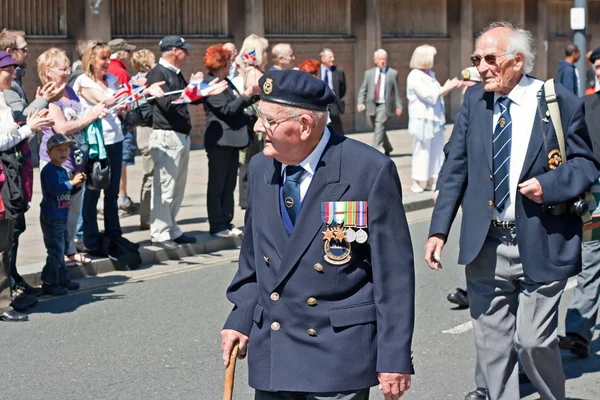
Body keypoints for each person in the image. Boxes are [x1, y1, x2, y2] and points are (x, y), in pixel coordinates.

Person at [424, 22, 600, 399]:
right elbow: (456, 166)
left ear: (517, 61)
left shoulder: (557, 100)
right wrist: (438, 229)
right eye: (476, 59)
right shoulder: (474, 101)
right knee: (493, 350)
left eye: (490, 59)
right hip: (487, 244)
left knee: (533, 341)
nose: (480, 67)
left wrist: (549, 186)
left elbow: (585, 163)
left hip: (542, 238)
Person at [221, 69, 415, 399]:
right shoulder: (260, 167)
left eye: (268, 120)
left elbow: (394, 274)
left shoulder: (367, 170)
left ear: (305, 126)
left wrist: (394, 355)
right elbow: (254, 261)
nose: (258, 128)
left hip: (337, 355)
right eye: (258, 117)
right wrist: (239, 316)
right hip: (275, 351)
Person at [74, 42, 164, 256]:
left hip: (115, 138)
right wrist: (134, 88)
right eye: (103, 59)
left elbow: (119, 103)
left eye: (108, 58)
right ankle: (90, 238)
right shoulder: (83, 81)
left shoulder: (112, 80)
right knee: (93, 190)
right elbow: (104, 101)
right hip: (96, 142)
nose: (107, 63)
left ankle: (114, 233)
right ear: (91, 60)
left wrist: (135, 95)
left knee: (112, 191)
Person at [0, 29, 64, 306]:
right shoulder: (7, 92)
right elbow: (11, 129)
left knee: (12, 230)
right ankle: (9, 288)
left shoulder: (8, 89)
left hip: (15, 167)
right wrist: (35, 117)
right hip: (9, 169)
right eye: (22, 50)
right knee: (8, 233)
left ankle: (11, 282)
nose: (27, 54)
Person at [145, 36, 225, 249]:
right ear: (174, 50)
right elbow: (167, 104)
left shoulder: (175, 73)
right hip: (166, 135)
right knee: (165, 187)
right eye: (184, 50)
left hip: (179, 134)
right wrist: (192, 89)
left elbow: (189, 98)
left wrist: (202, 90)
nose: (187, 54)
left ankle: (171, 227)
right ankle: (160, 232)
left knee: (177, 187)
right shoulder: (158, 73)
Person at [37, 47, 108, 267]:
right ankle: (58, 255)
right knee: (59, 210)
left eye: (68, 67)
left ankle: (69, 249)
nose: (68, 71)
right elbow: (61, 128)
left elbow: (79, 119)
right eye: (62, 68)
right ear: (48, 72)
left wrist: (94, 116)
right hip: (57, 162)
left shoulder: (70, 90)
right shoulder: (50, 95)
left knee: (74, 209)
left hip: (77, 159)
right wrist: (89, 117)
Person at [559, 46, 600, 358]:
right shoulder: (585, 105)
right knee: (591, 261)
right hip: (596, 197)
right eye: (597, 67)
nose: (599, 71)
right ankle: (579, 332)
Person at [203, 44, 259, 238]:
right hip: (220, 141)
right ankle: (217, 225)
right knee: (217, 185)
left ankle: (226, 221)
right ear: (220, 64)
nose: (230, 66)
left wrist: (253, 96)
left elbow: (237, 104)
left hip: (233, 140)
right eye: (227, 63)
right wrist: (247, 95)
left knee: (229, 185)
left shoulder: (225, 81)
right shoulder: (210, 84)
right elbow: (227, 109)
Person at [407, 45, 461, 193]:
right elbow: (429, 96)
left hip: (435, 118)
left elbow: (436, 94)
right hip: (422, 118)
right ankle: (417, 181)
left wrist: (447, 87)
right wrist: (448, 86)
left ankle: (432, 179)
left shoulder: (430, 74)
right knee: (422, 150)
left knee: (436, 150)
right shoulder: (414, 76)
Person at [39, 134, 86, 296]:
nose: (63, 153)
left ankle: (63, 279)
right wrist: (71, 183)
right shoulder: (49, 170)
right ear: (49, 152)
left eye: (66, 149)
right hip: (51, 216)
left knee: (62, 248)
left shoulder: (62, 170)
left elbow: (67, 192)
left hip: (61, 215)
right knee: (56, 251)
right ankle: (50, 282)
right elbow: (55, 190)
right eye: (59, 149)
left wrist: (77, 186)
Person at [236, 34, 269, 210]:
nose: (266, 55)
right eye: (264, 51)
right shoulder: (255, 73)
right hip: (256, 125)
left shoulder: (250, 71)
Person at [130, 49, 157, 231]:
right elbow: (142, 110)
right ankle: (146, 217)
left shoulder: (150, 80)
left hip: (152, 130)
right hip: (147, 132)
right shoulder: (138, 84)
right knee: (150, 176)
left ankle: (154, 215)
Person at [357, 49, 403, 156]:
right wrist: (360, 102)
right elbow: (363, 89)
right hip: (372, 104)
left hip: (384, 105)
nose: (382, 61)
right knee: (379, 128)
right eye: (380, 59)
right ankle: (388, 147)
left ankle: (374, 151)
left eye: (384, 59)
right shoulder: (369, 73)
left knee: (379, 125)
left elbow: (397, 91)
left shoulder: (392, 73)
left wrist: (399, 106)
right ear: (375, 60)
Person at [319, 48, 346, 135]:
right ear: (323, 59)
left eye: (333, 57)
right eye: (330, 57)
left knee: (337, 126)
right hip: (320, 101)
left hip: (333, 102)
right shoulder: (317, 71)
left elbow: (343, 88)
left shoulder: (338, 71)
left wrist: (339, 99)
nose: (333, 59)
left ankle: (342, 144)